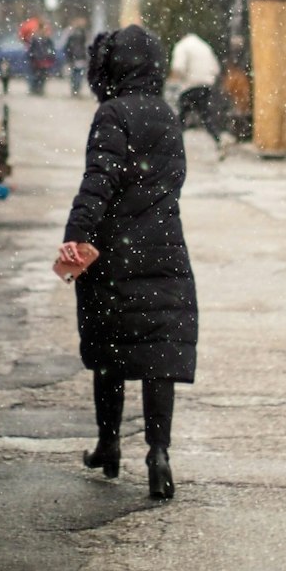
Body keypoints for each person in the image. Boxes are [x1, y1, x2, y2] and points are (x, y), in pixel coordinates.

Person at [56, 24, 198, 500]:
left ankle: (108, 445)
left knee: (110, 353)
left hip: (115, 251)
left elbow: (100, 179)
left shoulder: (112, 113)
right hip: (164, 246)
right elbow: (172, 179)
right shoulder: (167, 113)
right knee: (160, 354)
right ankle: (159, 456)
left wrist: (78, 236)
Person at [168, 31, 227, 159]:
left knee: (181, 116)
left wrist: (179, 80)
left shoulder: (182, 46)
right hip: (205, 85)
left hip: (190, 85)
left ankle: (171, 145)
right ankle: (218, 139)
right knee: (206, 115)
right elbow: (216, 68)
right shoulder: (204, 46)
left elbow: (178, 67)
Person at [26, 21, 56, 95]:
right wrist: (33, 56)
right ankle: (35, 89)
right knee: (36, 76)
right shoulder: (35, 39)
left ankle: (39, 89)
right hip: (37, 61)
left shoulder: (47, 39)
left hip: (44, 61)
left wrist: (50, 56)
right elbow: (31, 49)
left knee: (42, 76)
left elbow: (51, 49)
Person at [62, 18, 89, 96]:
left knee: (76, 75)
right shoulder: (75, 34)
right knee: (76, 75)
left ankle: (75, 90)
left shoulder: (79, 33)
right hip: (76, 57)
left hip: (77, 57)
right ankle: (75, 90)